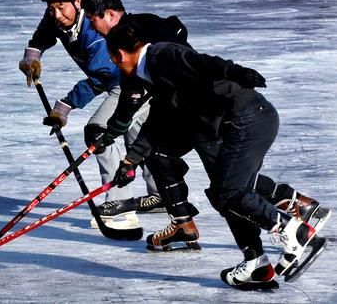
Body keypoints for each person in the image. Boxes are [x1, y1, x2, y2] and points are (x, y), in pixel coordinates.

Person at [82, 0, 329, 253]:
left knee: (227, 187)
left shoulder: (149, 42)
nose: (93, 28)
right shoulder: (135, 56)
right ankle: (185, 224)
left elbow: (196, 62)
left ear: (108, 14)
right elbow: (144, 112)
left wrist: (235, 71)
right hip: (191, 115)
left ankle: (287, 215)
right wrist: (122, 150)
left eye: (93, 21)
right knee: (166, 157)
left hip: (215, 116)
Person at [103, 20, 328, 289]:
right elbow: (157, 122)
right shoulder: (152, 73)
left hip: (247, 118)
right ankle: (256, 262)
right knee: (225, 195)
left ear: (119, 54)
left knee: (229, 192)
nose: (116, 66)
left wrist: (235, 71)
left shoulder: (161, 55)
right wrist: (130, 161)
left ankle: (293, 229)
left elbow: (200, 62)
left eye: (114, 60)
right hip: (227, 124)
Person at [18, 0, 161, 229]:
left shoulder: (95, 35)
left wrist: (65, 106)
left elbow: (100, 80)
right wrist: (32, 55)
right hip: (123, 80)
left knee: (98, 133)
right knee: (138, 137)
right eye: (51, 8)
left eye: (61, 7)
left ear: (78, 1)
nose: (56, 14)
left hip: (130, 84)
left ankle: (120, 208)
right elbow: (44, 32)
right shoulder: (58, 17)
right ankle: (159, 194)